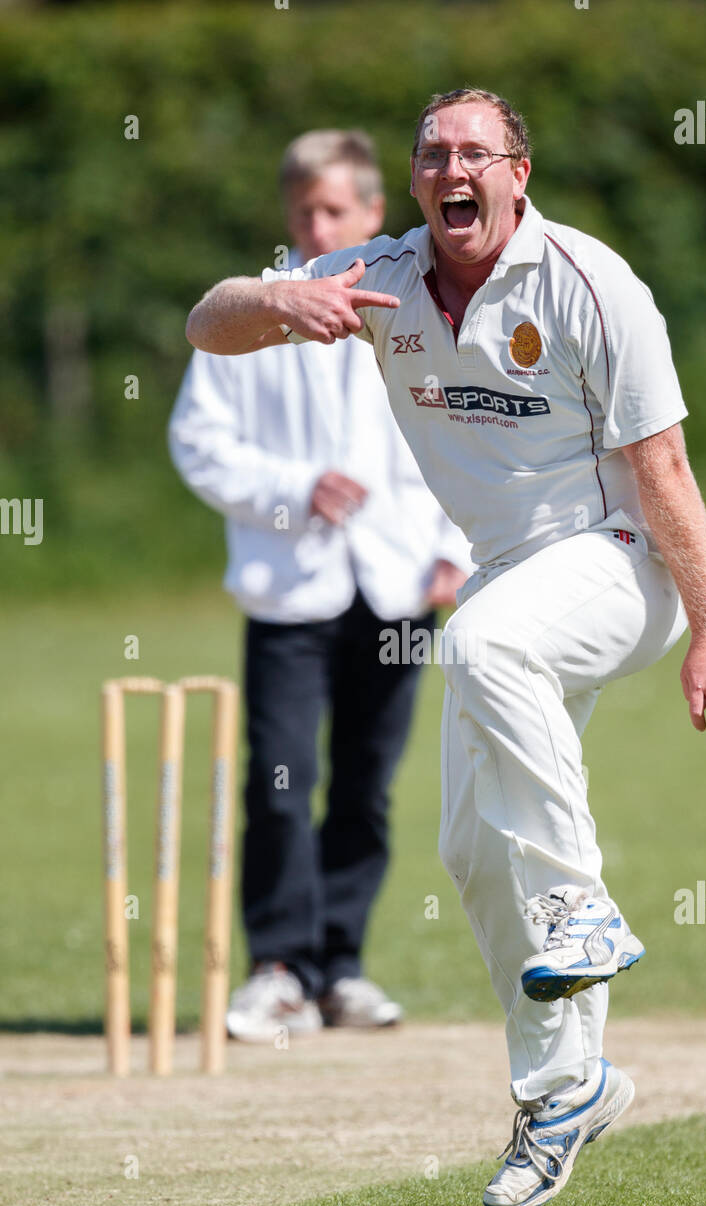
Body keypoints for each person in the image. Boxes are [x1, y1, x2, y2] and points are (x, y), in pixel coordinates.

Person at [184, 89, 706, 1206]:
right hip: (509, 585)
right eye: (432, 152)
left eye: (475, 152)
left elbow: (669, 467)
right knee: (471, 849)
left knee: (483, 644)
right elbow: (207, 323)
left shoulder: (591, 284)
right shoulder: (384, 277)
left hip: (622, 556)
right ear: (413, 183)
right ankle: (563, 1088)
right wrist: (275, 294)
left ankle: (579, 903)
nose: (453, 168)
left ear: (518, 173)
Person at [170, 129, 471, 1041]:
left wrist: (455, 548)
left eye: (336, 209)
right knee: (276, 780)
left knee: (366, 787)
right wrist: (292, 490)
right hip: (288, 588)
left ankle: (340, 966)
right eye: (303, 210)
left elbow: (465, 438)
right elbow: (199, 442)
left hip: (399, 586)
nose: (317, 224)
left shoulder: (419, 300)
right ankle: (277, 968)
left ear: (373, 213)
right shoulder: (252, 310)